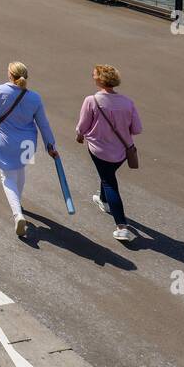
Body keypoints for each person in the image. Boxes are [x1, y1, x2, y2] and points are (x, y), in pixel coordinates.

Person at [0, 61, 58, 237]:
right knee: (20, 169)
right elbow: (44, 124)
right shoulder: (35, 98)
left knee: (7, 178)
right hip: (28, 143)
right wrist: (50, 145)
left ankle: (17, 214)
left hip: (6, 141)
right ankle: (18, 203)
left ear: (10, 75)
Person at [75, 64, 142, 242]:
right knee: (108, 175)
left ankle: (121, 226)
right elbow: (137, 129)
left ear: (100, 79)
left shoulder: (91, 100)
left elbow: (82, 126)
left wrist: (80, 136)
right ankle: (103, 200)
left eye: (94, 74)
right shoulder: (128, 102)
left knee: (109, 181)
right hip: (121, 151)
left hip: (99, 149)